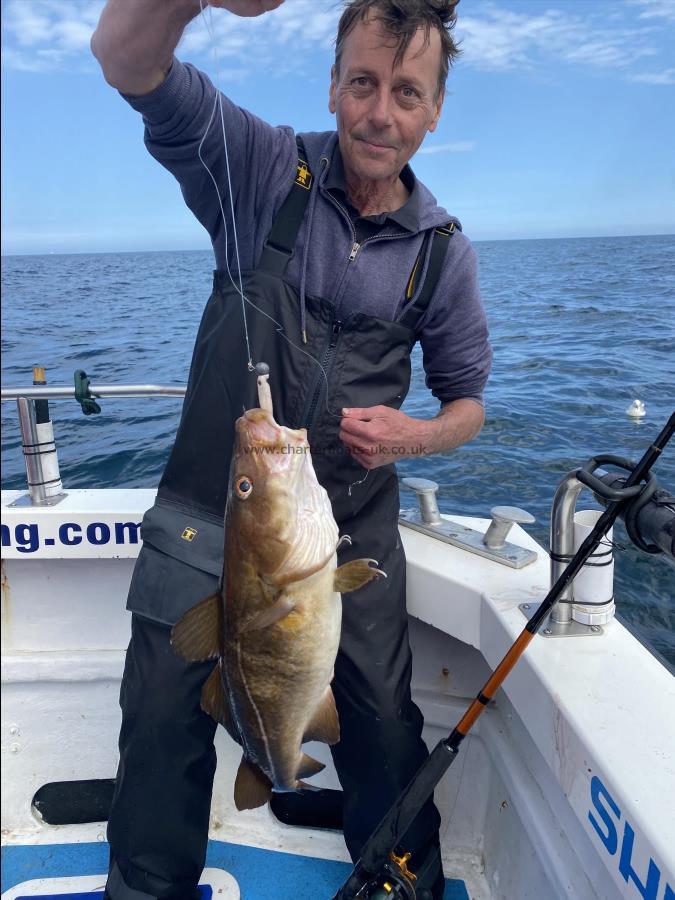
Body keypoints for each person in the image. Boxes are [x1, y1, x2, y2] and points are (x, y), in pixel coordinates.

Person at [91, 1, 492, 897]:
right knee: (159, 727)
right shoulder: (262, 166)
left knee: (385, 729)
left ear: (433, 112)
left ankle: (397, 884)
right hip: (207, 511)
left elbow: (467, 403)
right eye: (362, 83)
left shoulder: (441, 251)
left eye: (405, 92)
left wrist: (419, 434)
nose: (379, 113)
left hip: (348, 530)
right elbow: (124, 58)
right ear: (334, 86)